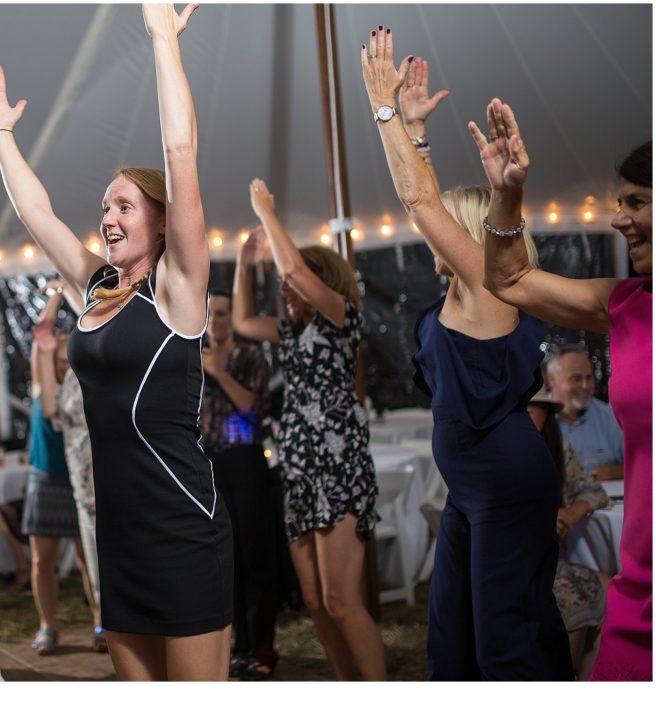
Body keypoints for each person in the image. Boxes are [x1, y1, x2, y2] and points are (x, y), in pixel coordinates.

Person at [0, 4, 233, 680]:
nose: (107, 216)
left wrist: (161, 42)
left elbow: (180, 154)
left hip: (182, 526)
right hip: (117, 534)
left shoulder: (177, 290)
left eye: (124, 205)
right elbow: (38, 215)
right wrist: (2, 133)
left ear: (160, 219)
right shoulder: (94, 290)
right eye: (104, 206)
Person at [361, 28, 572, 679]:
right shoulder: (465, 289)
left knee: (506, 644)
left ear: (475, 234)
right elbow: (427, 195)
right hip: (471, 489)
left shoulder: (488, 279)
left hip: (505, 487)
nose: (437, 234)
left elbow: (420, 201)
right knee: (452, 634)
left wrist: (384, 107)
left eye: (457, 223)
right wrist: (418, 135)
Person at [479, 95, 651, 680]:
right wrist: (508, 191)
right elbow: (509, 277)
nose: (618, 218)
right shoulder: (625, 304)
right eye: (618, 202)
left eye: (636, 202)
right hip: (642, 589)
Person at [233, 187, 385, 680]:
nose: (285, 287)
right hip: (298, 475)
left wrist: (266, 213)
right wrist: (241, 263)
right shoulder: (290, 333)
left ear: (322, 284)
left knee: (343, 600)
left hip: (337, 470)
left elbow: (296, 269)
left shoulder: (341, 316)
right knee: (317, 603)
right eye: (281, 283)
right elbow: (239, 320)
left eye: (292, 282)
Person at [199, 290, 279, 680]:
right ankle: (236, 646)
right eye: (210, 313)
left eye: (223, 313)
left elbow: (252, 408)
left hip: (246, 461)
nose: (215, 320)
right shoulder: (192, 358)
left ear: (233, 318)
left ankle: (261, 645)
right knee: (223, 562)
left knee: (254, 556)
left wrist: (219, 372)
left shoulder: (249, 357)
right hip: (209, 466)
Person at [24, 288, 97, 655]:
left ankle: (100, 620)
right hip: (45, 476)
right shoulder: (43, 386)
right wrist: (57, 293)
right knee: (42, 559)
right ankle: (47, 625)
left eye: (68, 360)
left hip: (79, 479)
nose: (62, 365)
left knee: (89, 555)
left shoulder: (81, 391)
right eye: (57, 358)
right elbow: (42, 334)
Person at [526, 388, 611, 679]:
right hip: (514, 564)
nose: (519, 415)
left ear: (546, 414)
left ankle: (587, 679)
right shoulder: (500, 451)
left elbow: (593, 489)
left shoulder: (556, 448)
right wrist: (539, 521)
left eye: (528, 409)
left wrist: (571, 512)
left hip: (553, 561)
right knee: (570, 596)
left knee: (616, 592)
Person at [42, 281, 108, 653]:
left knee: (119, 565)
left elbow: (97, 323)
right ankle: (107, 624)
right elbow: (52, 410)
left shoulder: (100, 371)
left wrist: (67, 291)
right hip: (82, 486)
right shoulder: (69, 379)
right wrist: (44, 350)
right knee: (97, 571)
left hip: (113, 481)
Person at [545, 346, 624, 480]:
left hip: (605, 499)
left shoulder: (611, 419)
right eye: (576, 378)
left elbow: (643, 466)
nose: (586, 386)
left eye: (589, 377)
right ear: (551, 380)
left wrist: (609, 471)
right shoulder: (532, 417)